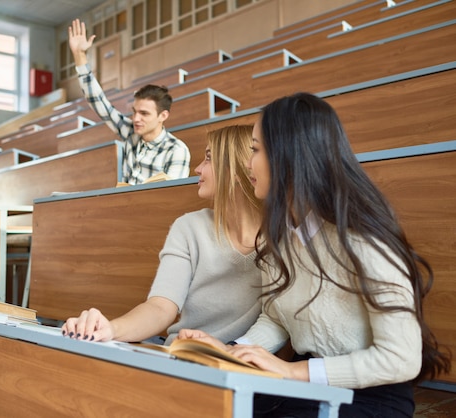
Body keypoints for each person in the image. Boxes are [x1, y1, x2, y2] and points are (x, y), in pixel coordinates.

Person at [178, 93, 451, 417]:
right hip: (304, 382)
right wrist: (232, 351)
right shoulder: (280, 237)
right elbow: (276, 317)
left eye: (255, 150)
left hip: (368, 397)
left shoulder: (365, 242)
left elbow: (401, 359)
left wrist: (293, 372)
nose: (248, 163)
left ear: (290, 155)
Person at [62, 125, 262, 345]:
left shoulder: (282, 236)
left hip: (242, 363)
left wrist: (235, 352)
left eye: (208, 159)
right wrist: (111, 329)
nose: (197, 169)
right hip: (182, 353)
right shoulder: (188, 227)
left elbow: (277, 324)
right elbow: (160, 307)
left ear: (236, 167)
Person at [68, 18, 191, 185]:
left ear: (163, 115)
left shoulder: (176, 150)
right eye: (134, 112)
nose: (136, 119)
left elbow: (173, 199)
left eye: (144, 113)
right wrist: (79, 55)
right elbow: (98, 101)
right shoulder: (129, 132)